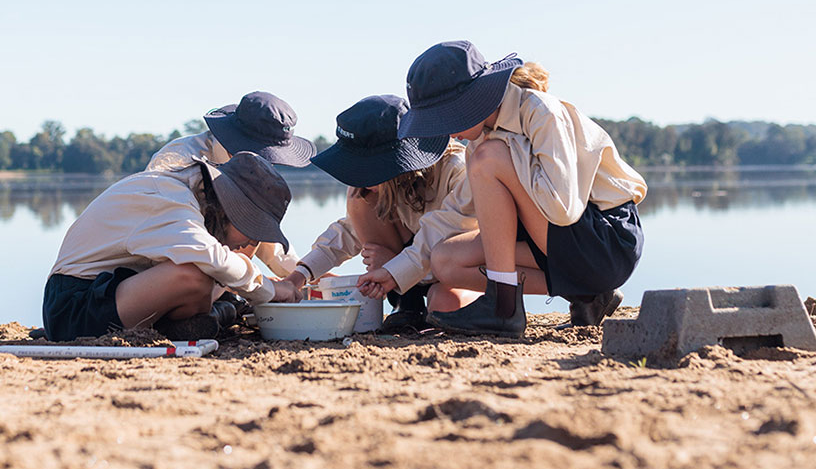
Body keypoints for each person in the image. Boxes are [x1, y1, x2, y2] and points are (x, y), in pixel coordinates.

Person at [362, 40, 647, 338]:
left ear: (472, 100)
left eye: (445, 117)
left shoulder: (540, 112)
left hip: (606, 241)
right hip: (564, 246)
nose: (445, 131)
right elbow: (452, 216)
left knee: (489, 158)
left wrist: (504, 155)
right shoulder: (483, 145)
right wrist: (394, 272)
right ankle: (588, 296)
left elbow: (562, 208)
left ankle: (504, 309)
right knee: (445, 260)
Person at [42, 151, 301, 342]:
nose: (254, 241)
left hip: (114, 289)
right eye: (252, 228)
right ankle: (198, 320)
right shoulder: (169, 199)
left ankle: (182, 324)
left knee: (213, 272)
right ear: (230, 208)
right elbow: (210, 257)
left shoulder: (186, 197)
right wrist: (271, 288)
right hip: (73, 305)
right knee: (194, 275)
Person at [279, 95, 468, 331]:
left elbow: (438, 244)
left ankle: (416, 300)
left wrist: (391, 267)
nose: (359, 175)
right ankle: (408, 306)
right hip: (413, 269)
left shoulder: (456, 172)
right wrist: (295, 279)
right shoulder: (380, 186)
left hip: (456, 266)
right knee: (358, 197)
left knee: (444, 305)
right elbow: (348, 232)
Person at [146, 91, 317, 283]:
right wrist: (257, 283)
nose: (268, 163)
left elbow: (263, 231)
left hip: (219, 270)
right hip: (169, 270)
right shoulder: (178, 163)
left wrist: (304, 274)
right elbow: (182, 239)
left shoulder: (252, 173)